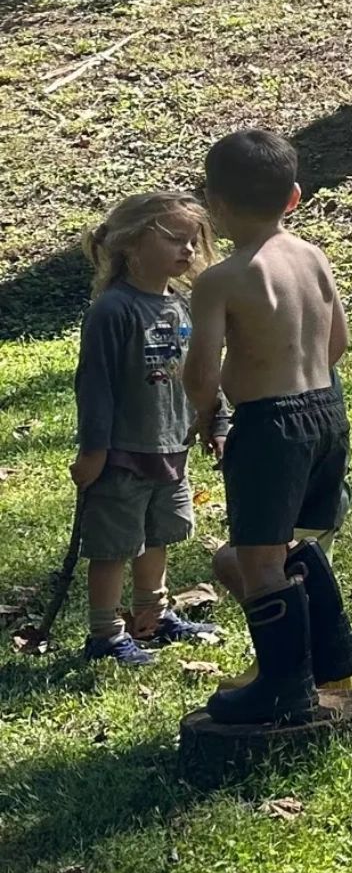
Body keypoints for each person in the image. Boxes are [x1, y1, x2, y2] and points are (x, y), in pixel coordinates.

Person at [182, 130, 352, 724]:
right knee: (299, 542)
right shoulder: (312, 255)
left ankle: (282, 687)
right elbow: (337, 339)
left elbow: (201, 370)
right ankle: (332, 646)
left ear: (214, 203)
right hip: (326, 412)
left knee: (259, 560)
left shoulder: (221, 280)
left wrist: (208, 413)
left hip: (270, 427)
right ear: (294, 196)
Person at [70, 192, 226, 667]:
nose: (188, 252)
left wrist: (215, 419)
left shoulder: (181, 305)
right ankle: (105, 633)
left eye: (193, 242)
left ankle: (151, 617)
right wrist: (94, 451)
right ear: (132, 245)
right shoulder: (113, 311)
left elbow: (202, 371)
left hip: (170, 449)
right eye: (175, 240)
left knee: (157, 536)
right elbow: (94, 387)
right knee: (116, 545)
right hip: (122, 454)